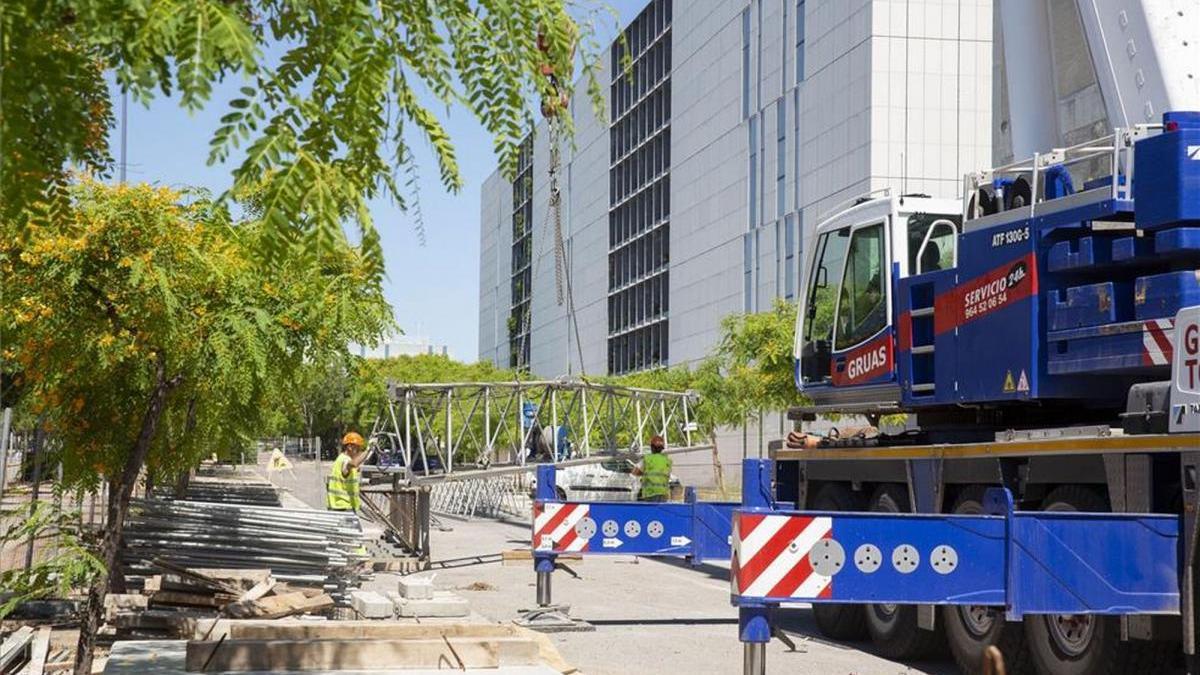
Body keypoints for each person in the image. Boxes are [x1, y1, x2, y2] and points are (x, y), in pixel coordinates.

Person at [327, 431, 368, 512]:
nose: (359, 451)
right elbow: (353, 464)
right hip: (343, 507)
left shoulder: (341, 458)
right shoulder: (345, 460)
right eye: (358, 448)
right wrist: (368, 450)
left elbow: (355, 465)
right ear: (349, 447)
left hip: (338, 505)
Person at [632, 435, 672, 502]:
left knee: (651, 511)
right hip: (663, 493)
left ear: (652, 447)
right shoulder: (667, 460)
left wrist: (643, 473)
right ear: (662, 448)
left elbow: (635, 472)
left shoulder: (647, 459)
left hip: (650, 493)